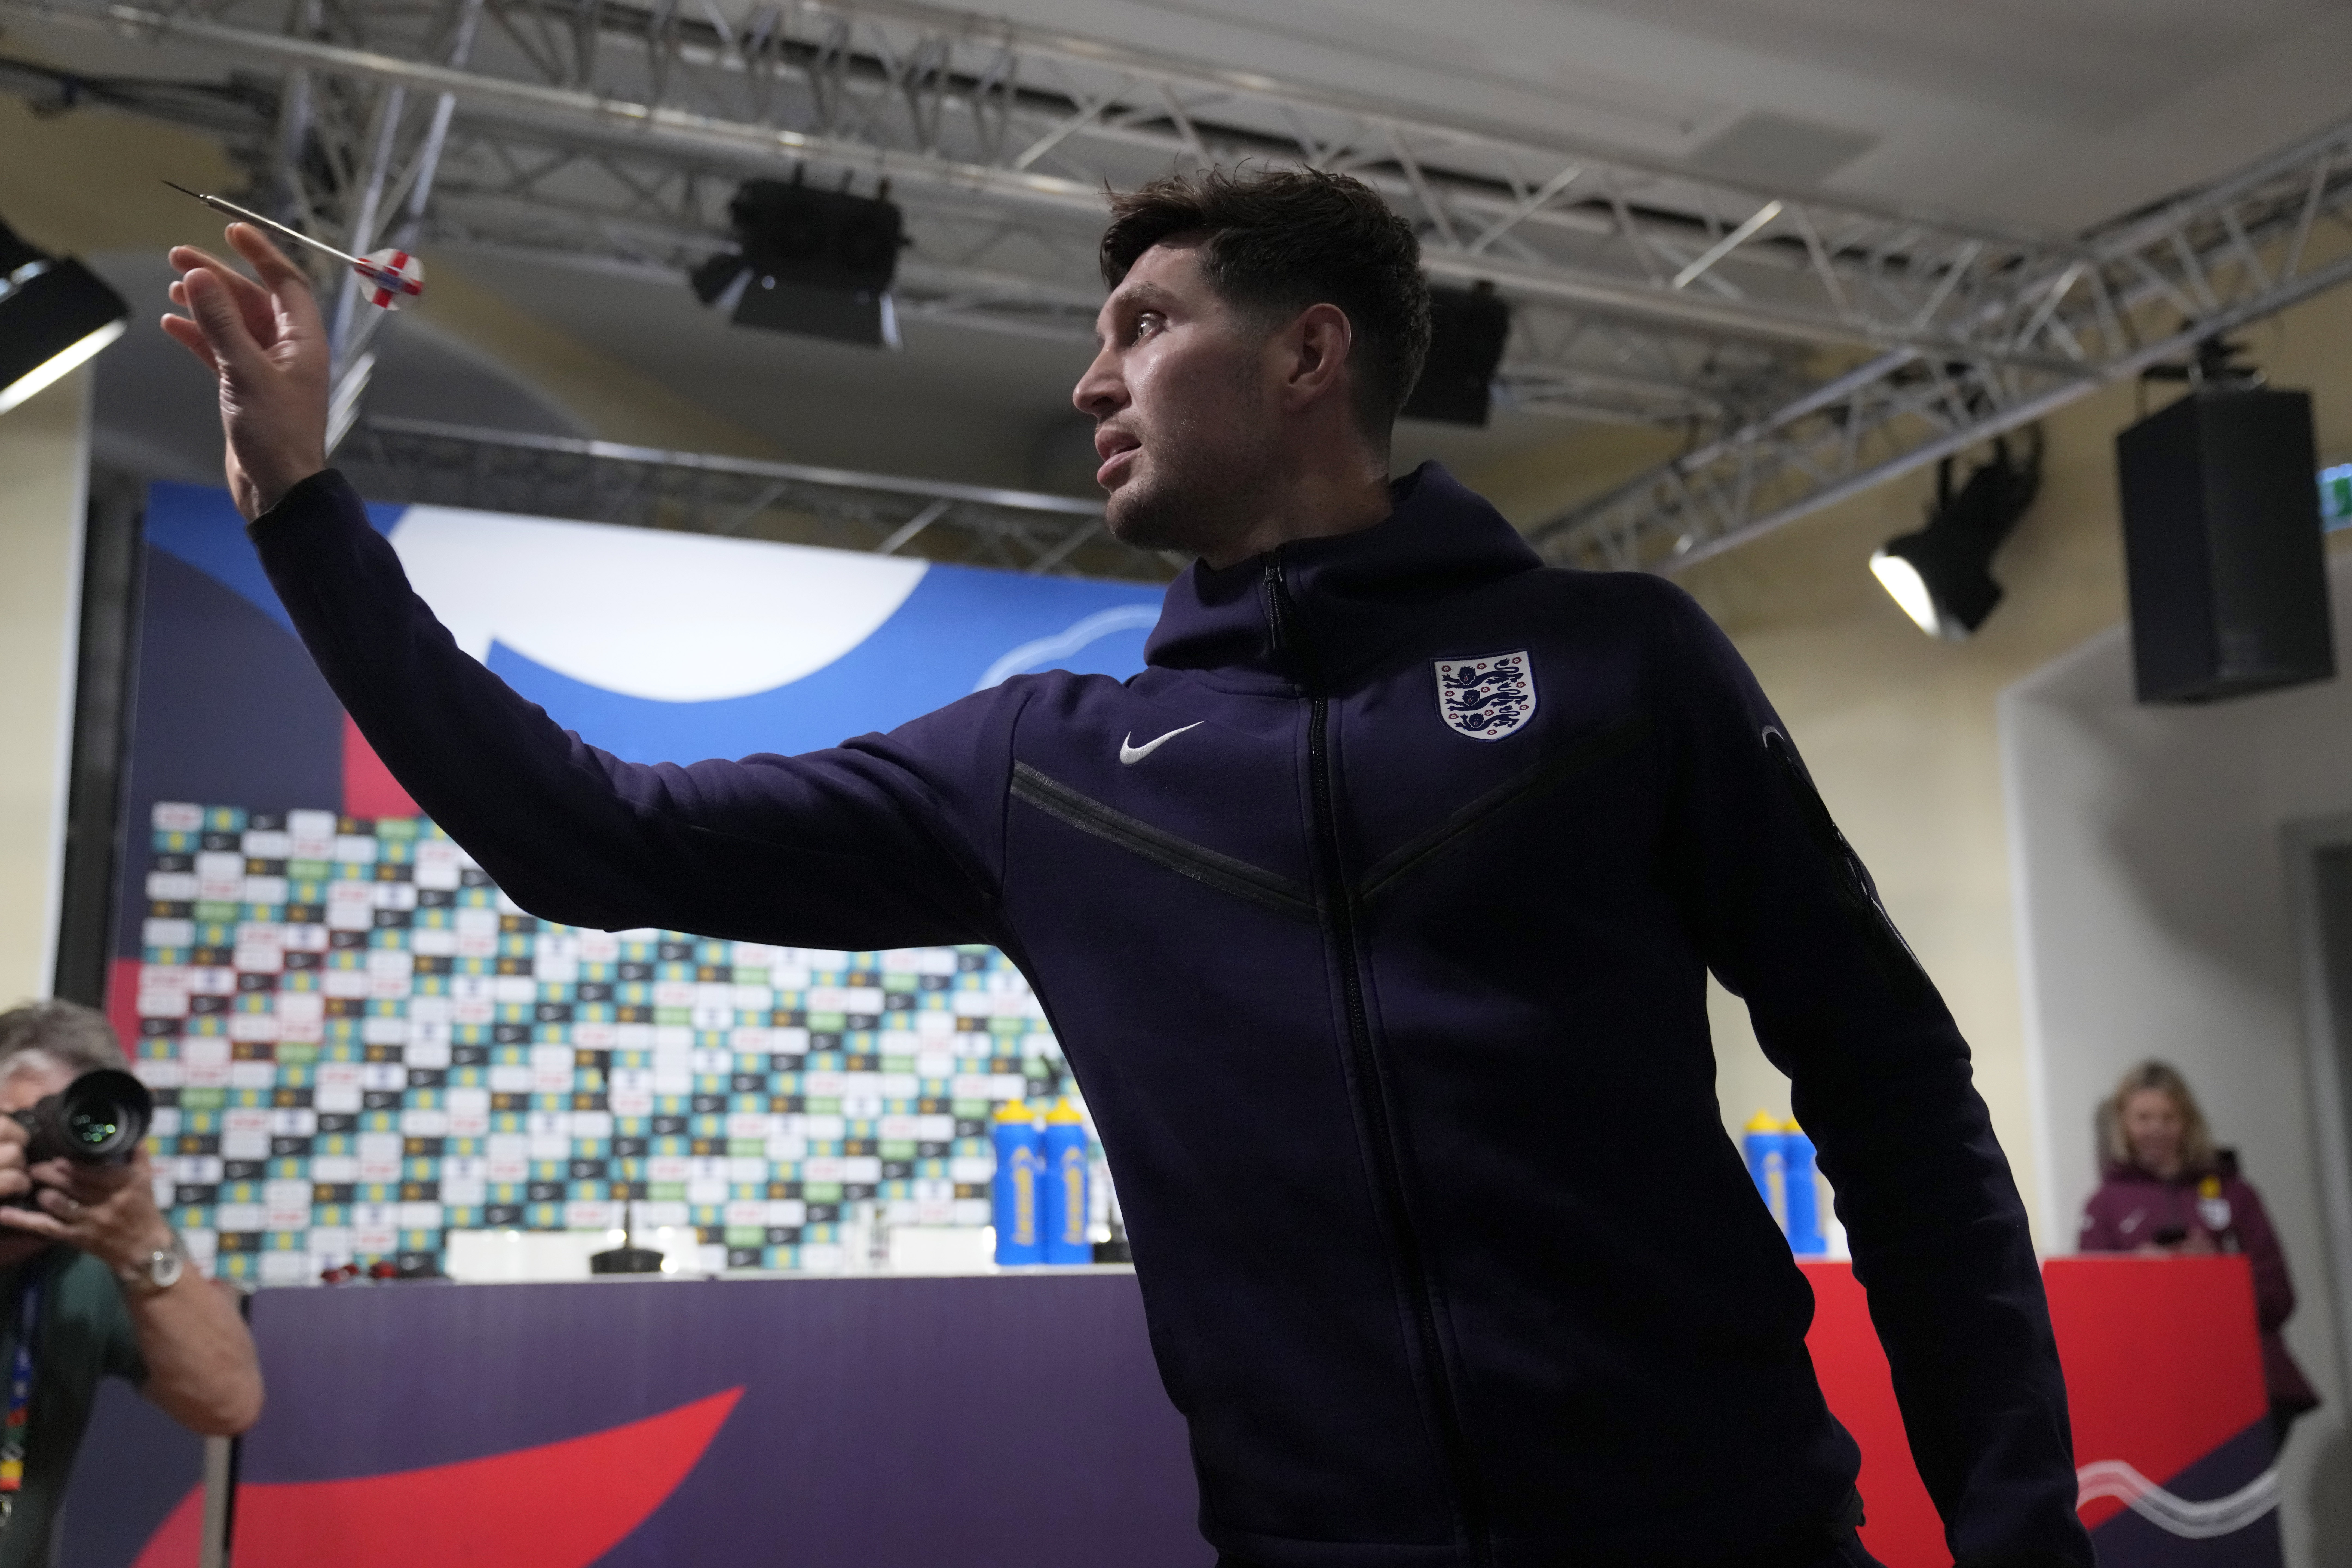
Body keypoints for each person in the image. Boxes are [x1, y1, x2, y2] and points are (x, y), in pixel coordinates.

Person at [160, 166, 2091, 1568]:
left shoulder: (1620, 666)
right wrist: (308, 511)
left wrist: (2018, 1529)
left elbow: (1897, 1100)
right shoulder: (1044, 770)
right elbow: (586, 837)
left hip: (1725, 1538)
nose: (1093, 383)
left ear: (1311, 354)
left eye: (1146, 330)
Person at [0, 1001, 263, 1564]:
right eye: (21, 1127)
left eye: (72, 1131)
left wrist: (146, 1250)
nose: (46, 1157)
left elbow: (227, 1405)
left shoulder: (107, 1250)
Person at [2079, 1060, 2321, 1448]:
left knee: (2245, 1505)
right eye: (2144, 1118)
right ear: (2123, 1122)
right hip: (2153, 1387)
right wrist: (2138, 1275)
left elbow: (2280, 1297)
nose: (2156, 1129)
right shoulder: (2105, 1204)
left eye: (2168, 1117)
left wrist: (2214, 1275)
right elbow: (2089, 1309)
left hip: (2245, 1379)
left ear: (2187, 1121)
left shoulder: (2236, 1193)